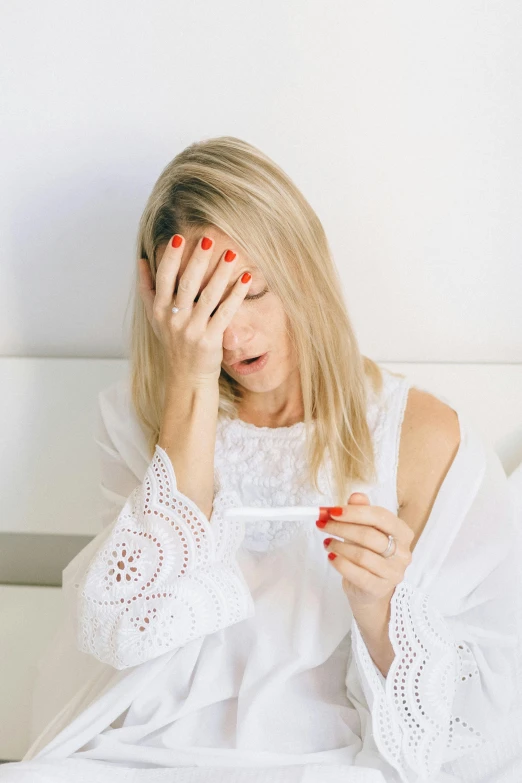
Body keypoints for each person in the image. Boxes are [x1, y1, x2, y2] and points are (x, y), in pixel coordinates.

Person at [2, 136, 521, 783]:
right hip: (142, 752)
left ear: (303, 266)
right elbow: (125, 633)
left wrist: (383, 607)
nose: (234, 336)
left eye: (251, 293)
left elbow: (485, 725)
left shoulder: (419, 435)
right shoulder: (139, 424)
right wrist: (187, 383)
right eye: (200, 306)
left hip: (325, 760)